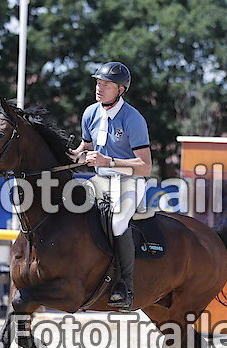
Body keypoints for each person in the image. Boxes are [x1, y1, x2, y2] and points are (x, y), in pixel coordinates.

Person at [72, 61, 153, 311]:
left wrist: (109, 162)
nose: (99, 88)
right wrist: (71, 155)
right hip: (100, 180)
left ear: (120, 89)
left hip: (129, 181)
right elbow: (85, 148)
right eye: (98, 82)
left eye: (106, 84)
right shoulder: (90, 113)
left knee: (118, 222)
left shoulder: (133, 119)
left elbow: (145, 166)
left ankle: (125, 286)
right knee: (68, 206)